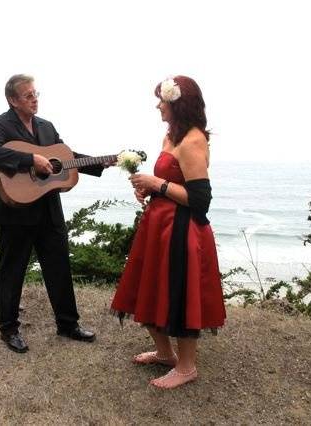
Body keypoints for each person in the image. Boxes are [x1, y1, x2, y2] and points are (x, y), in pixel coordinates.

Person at [110, 76, 226, 389]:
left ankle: (187, 367)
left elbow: (200, 201)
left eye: (162, 100)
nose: (158, 105)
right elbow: (172, 184)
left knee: (178, 293)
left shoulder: (192, 141)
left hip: (182, 231)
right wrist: (149, 191)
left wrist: (157, 184)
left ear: (178, 104)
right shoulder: (170, 136)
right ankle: (165, 353)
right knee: (148, 287)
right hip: (158, 225)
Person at [0, 74, 106, 353]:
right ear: (13, 100)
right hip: (17, 212)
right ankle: (9, 329)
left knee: (59, 267)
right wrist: (29, 160)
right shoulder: (1, 124)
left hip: (49, 210)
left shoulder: (46, 127)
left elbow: (63, 155)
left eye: (36, 93)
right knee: (12, 272)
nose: (34, 99)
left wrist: (100, 162)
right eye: (28, 95)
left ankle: (68, 324)